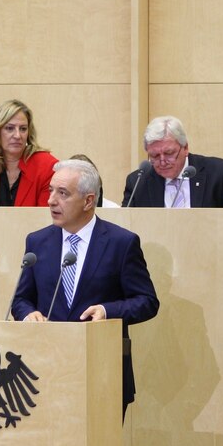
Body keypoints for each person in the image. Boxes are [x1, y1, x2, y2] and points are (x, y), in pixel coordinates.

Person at [13, 159, 160, 416]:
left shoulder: (121, 243)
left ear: (89, 201)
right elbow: (21, 299)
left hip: (103, 372)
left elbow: (147, 301)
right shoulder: (37, 241)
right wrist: (28, 313)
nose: (51, 201)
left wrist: (107, 310)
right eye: (51, 191)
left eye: (63, 193)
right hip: (46, 370)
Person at [122, 115, 223, 208]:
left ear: (185, 148)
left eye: (169, 153)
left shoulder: (219, 173)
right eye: (154, 155)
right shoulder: (137, 183)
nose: (162, 162)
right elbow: (126, 227)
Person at [0, 99, 58, 207]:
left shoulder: (46, 166)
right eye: (10, 128)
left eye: (23, 129)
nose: (17, 135)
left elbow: (45, 218)